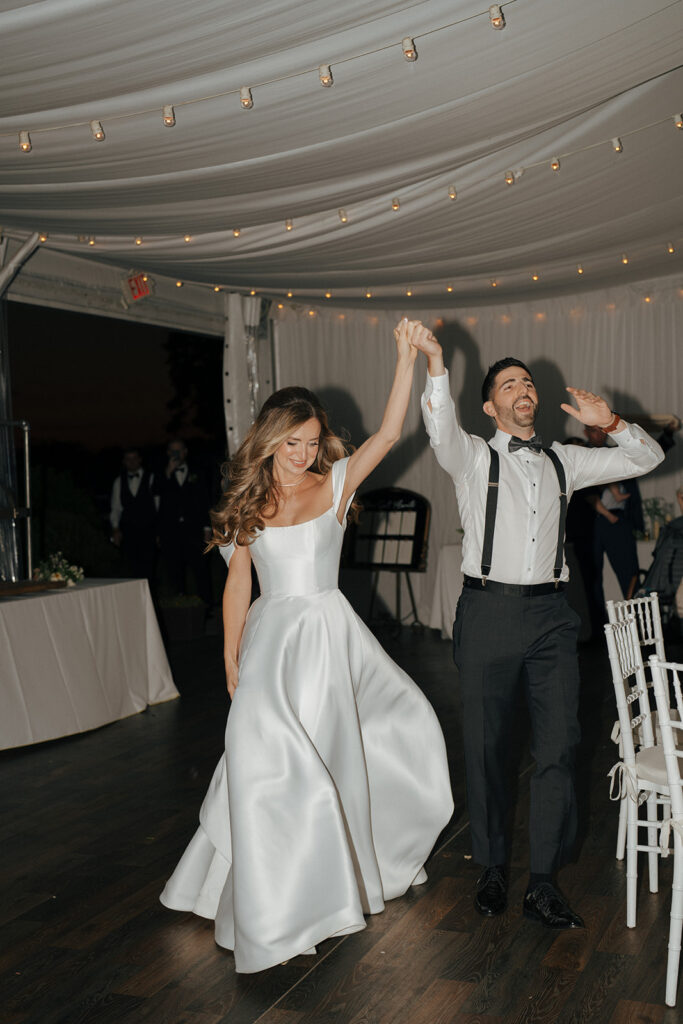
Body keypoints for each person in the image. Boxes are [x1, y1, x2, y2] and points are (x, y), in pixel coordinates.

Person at [160, 319, 454, 972]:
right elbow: (238, 580)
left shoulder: (336, 485)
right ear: (268, 439)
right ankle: (264, 894)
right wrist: (229, 653)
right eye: (292, 441)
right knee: (260, 758)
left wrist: (404, 360)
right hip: (270, 643)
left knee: (327, 758)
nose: (302, 452)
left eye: (311, 442)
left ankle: (322, 887)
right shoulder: (246, 499)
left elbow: (387, 434)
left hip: (325, 640)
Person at [412, 336, 664, 929]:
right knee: (486, 747)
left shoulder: (564, 461)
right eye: (509, 385)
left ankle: (544, 881)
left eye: (528, 383)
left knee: (560, 746)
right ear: (489, 407)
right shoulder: (471, 456)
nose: (524, 390)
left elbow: (645, 459)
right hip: (489, 613)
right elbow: (438, 423)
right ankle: (494, 867)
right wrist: (434, 368)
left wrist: (615, 423)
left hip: (552, 618)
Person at [155, 438, 212, 604]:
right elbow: (157, 502)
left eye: (179, 450)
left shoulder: (198, 472)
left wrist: (207, 528)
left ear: (185, 452)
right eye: (172, 451)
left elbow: (205, 501)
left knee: (201, 571)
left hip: (194, 529)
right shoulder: (161, 474)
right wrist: (168, 473)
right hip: (171, 531)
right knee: (174, 571)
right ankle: (180, 608)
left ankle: (206, 608)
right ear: (168, 453)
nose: (176, 454)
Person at [109, 447, 158, 583]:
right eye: (128, 459)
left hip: (148, 531)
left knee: (149, 570)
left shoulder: (152, 478)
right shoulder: (119, 481)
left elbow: (158, 507)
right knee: (131, 569)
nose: (131, 462)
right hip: (129, 532)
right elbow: (116, 508)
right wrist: (115, 529)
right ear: (124, 462)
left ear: (140, 460)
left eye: (134, 458)